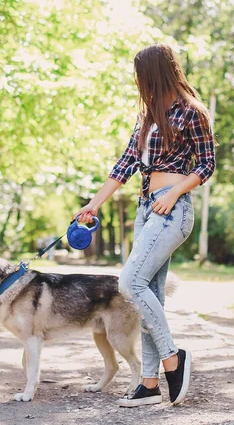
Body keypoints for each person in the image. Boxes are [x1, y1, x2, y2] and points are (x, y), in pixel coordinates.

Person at [74, 43, 217, 408]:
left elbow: (206, 166)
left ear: (156, 72)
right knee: (147, 294)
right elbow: (123, 166)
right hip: (145, 211)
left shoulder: (192, 112)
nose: (138, 83)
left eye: (141, 75)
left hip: (174, 209)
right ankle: (150, 384)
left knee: (129, 282)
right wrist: (92, 204)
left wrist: (173, 192)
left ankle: (173, 358)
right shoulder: (148, 116)